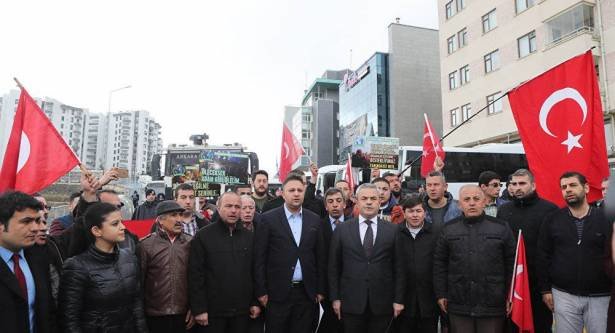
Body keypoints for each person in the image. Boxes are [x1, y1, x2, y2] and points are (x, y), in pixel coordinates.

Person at [433, 185, 515, 332]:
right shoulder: (448, 229)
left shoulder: (501, 228)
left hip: (493, 302)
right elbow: (440, 264)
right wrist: (441, 293)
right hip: (459, 301)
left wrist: (511, 295)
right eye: (467, 199)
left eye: (476, 199)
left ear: (484, 202)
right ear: (460, 204)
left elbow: (512, 264)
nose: (472, 203)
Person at [537, 171, 612, 333]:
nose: (568, 190)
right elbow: (543, 255)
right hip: (563, 295)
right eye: (564, 187)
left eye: (572, 185)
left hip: (601, 295)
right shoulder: (552, 219)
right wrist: (545, 289)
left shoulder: (606, 218)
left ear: (585, 188)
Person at [328, 183, 405, 333]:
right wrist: (335, 298)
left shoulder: (393, 230)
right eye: (364, 198)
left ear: (379, 201)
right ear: (357, 201)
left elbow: (400, 268)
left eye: (373, 198)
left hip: (383, 303)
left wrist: (399, 300)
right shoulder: (342, 229)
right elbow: (333, 267)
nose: (369, 202)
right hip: (351, 302)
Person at [254, 174, 326, 333]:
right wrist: (261, 292)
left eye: (300, 190)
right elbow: (259, 258)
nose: (296, 193)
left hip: (306, 294)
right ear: (282, 193)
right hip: (277, 294)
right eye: (291, 190)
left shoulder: (314, 220)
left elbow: (320, 257)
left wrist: (320, 290)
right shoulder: (267, 219)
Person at [59, 202, 147, 332]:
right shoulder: (77, 267)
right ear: (96, 230)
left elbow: (136, 305)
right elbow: (69, 320)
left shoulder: (129, 258)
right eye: (115, 224)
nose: (123, 227)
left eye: (121, 222)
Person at [496, 168, 558, 332]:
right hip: (511, 283)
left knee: (540, 326)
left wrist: (547, 287)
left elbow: (554, 249)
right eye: (514, 184)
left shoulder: (549, 209)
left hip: (539, 285)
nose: (517, 187)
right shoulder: (503, 210)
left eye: (522, 183)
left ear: (533, 185)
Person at [189, 192, 260, 333]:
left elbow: (254, 272)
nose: (233, 210)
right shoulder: (203, 236)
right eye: (228, 206)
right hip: (213, 314)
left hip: (242, 312)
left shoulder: (250, 237)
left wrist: (255, 302)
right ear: (218, 207)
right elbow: (195, 275)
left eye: (237, 206)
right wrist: (199, 309)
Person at [0, 191, 55, 333]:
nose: (36, 228)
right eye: (26, 221)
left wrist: (89, 196)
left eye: (37, 220)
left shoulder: (37, 255)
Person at [139, 201, 194, 333]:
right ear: (160, 220)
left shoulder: (191, 242)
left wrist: (194, 307)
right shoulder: (146, 245)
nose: (179, 219)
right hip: (155, 315)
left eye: (180, 215)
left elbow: (197, 278)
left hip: (184, 314)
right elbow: (139, 283)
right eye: (174, 215)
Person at [397, 195, 439, 333]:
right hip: (403, 301)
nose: (415, 215)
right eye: (410, 211)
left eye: (418, 211)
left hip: (429, 301)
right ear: (404, 213)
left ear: (424, 212)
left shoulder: (436, 233)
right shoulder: (395, 233)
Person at [317, 188, 349, 333]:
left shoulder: (354, 225)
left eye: (338, 201)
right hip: (326, 289)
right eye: (330, 202)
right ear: (326, 206)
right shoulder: (317, 226)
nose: (335, 205)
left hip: (350, 287)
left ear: (344, 204)